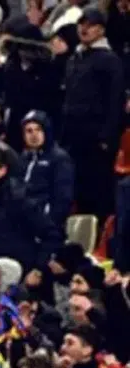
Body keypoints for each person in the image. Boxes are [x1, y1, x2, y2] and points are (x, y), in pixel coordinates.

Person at [61, 8, 124, 218]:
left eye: (90, 25)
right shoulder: (74, 58)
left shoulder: (109, 60)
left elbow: (115, 100)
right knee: (78, 188)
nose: (84, 29)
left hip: (96, 137)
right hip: (75, 135)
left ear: (101, 30)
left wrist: (107, 136)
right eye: (81, 24)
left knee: (98, 189)